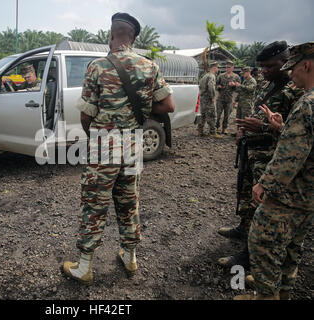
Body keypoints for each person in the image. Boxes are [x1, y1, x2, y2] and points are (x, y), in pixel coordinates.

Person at [62, 12, 175, 285]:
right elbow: (168, 106)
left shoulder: (97, 66)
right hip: (133, 144)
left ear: (111, 35)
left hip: (104, 143)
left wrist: (97, 134)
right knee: (128, 201)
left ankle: (85, 267)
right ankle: (130, 256)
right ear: (133, 38)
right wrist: (141, 112)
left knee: (95, 203)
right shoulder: (149, 66)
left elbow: (87, 113)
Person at [234, 41, 314, 300]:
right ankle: (282, 294)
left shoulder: (307, 103)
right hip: (306, 196)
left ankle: (265, 296)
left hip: (291, 193)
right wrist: (279, 127)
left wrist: (264, 184)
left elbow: (292, 154)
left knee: (264, 243)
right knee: (292, 247)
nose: (292, 75)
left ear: (307, 65)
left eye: (294, 69)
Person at [217, 41, 304, 268]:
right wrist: (243, 129)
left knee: (261, 207)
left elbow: (294, 136)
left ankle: (249, 255)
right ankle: (243, 228)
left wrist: (263, 128)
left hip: (272, 157)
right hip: (253, 152)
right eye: (262, 67)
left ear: (285, 63)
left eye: (269, 66)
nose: (264, 71)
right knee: (245, 194)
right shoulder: (269, 84)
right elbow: (257, 110)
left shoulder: (295, 91)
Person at [197, 61, 222, 138]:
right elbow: (211, 87)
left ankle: (200, 131)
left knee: (203, 115)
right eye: (217, 67)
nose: (218, 69)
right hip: (208, 99)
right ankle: (213, 132)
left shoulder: (205, 76)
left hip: (203, 98)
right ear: (214, 67)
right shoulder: (212, 76)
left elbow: (200, 86)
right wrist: (213, 97)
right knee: (211, 115)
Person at [216, 60, 241, 134]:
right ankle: (217, 127)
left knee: (227, 115)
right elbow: (216, 85)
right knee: (218, 114)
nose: (227, 68)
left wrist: (234, 85)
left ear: (232, 68)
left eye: (229, 67)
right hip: (220, 98)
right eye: (226, 67)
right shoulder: (221, 76)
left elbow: (239, 88)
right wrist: (219, 87)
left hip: (229, 99)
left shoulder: (236, 77)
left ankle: (224, 128)